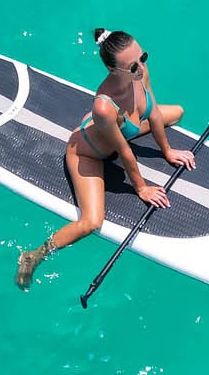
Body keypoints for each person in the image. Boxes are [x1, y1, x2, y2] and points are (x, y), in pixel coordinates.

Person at [16, 29, 197, 289]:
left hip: (119, 130)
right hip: (88, 151)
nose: (141, 67)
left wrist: (168, 152)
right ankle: (33, 255)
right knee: (91, 222)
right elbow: (124, 152)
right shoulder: (103, 105)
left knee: (177, 112)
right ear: (113, 70)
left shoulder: (141, 73)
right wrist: (141, 188)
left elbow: (154, 113)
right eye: (132, 65)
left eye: (143, 58)